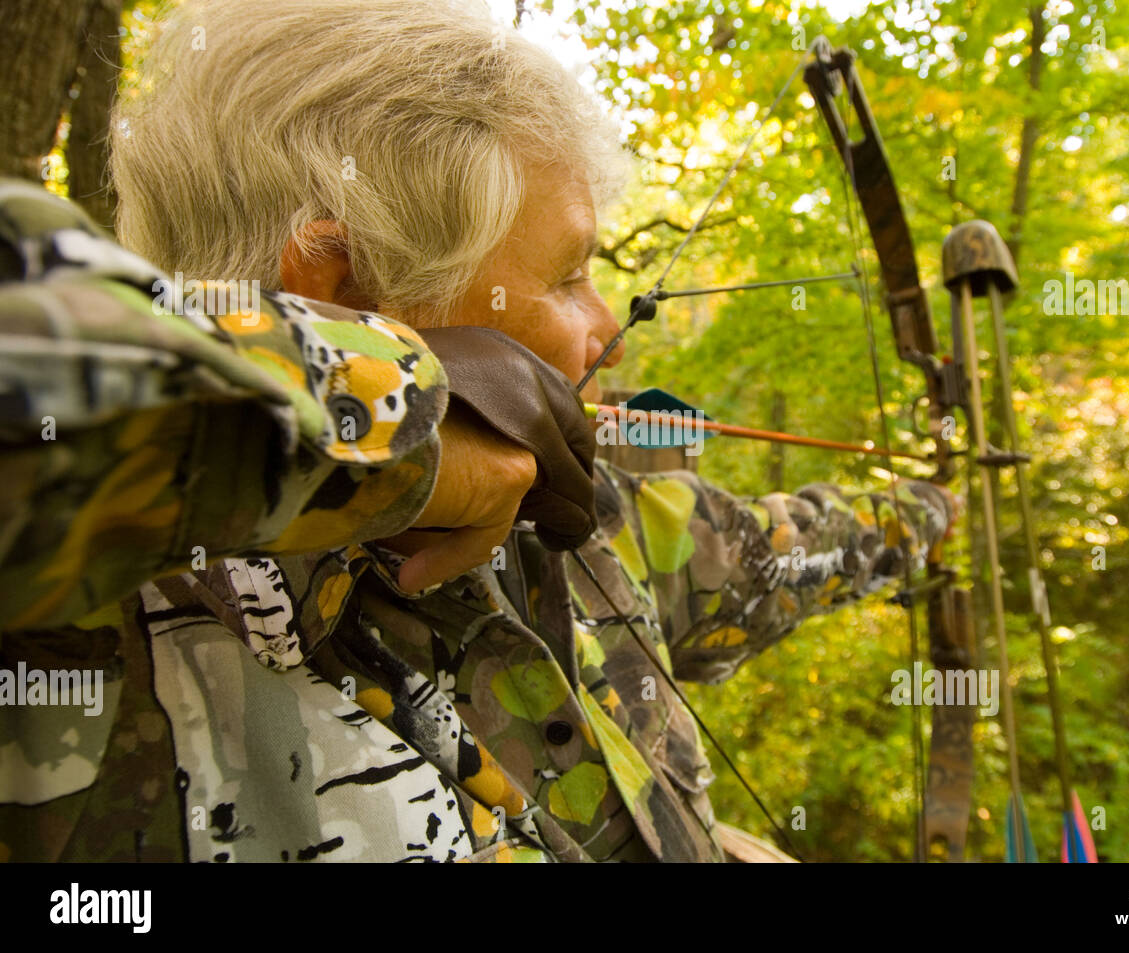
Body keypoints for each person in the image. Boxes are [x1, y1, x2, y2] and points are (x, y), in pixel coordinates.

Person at [0, 0, 954, 862]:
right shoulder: (80, 649)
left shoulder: (580, 532)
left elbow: (787, 549)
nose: (607, 334)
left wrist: (939, 506)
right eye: (568, 273)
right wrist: (389, 415)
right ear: (345, 293)